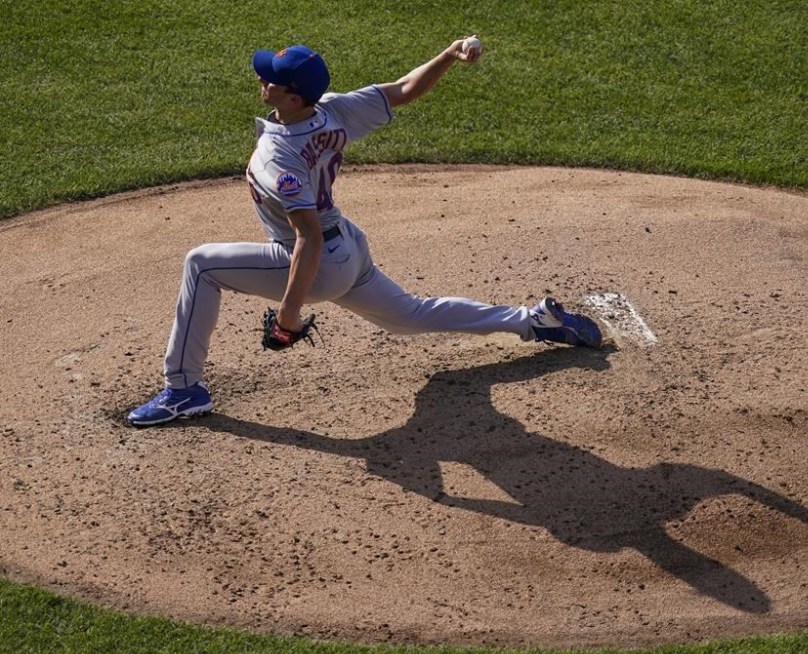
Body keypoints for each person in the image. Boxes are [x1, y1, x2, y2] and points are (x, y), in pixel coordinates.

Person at [127, 37, 602, 427]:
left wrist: (289, 316)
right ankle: (534, 321)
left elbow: (306, 239)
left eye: (270, 77)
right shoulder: (331, 111)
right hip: (349, 247)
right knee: (408, 316)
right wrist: (448, 54)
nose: (261, 79)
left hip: (319, 261)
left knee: (201, 264)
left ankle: (183, 388)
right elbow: (403, 90)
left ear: (293, 97)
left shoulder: (278, 158)